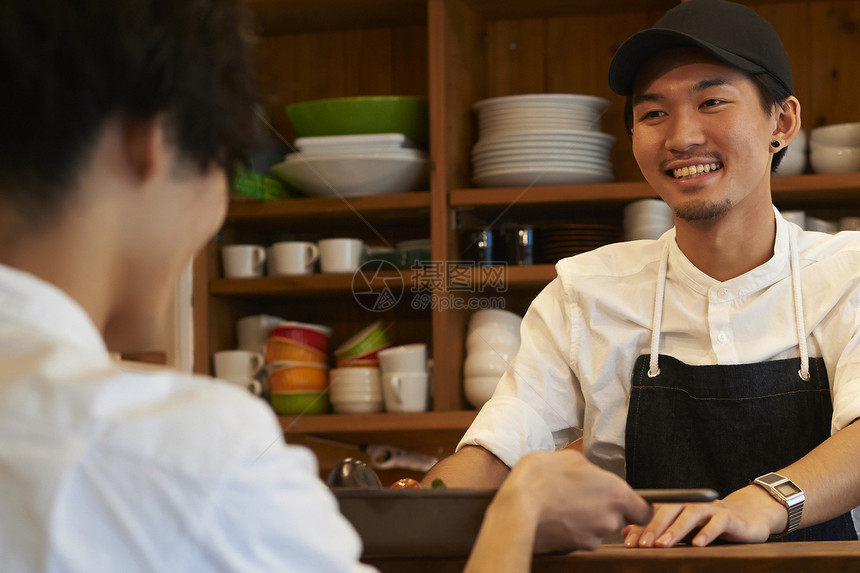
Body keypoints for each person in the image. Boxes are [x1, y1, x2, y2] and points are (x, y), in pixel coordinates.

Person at [0, 1, 652, 570]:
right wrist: (524, 502)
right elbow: (505, 439)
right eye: (222, 165)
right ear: (156, 142)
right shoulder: (186, 450)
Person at [423, 0, 860, 547]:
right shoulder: (586, 292)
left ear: (783, 121)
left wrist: (762, 503)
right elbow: (500, 447)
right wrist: (411, 507)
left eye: (712, 102)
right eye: (654, 114)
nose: (682, 137)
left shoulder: (849, 272)